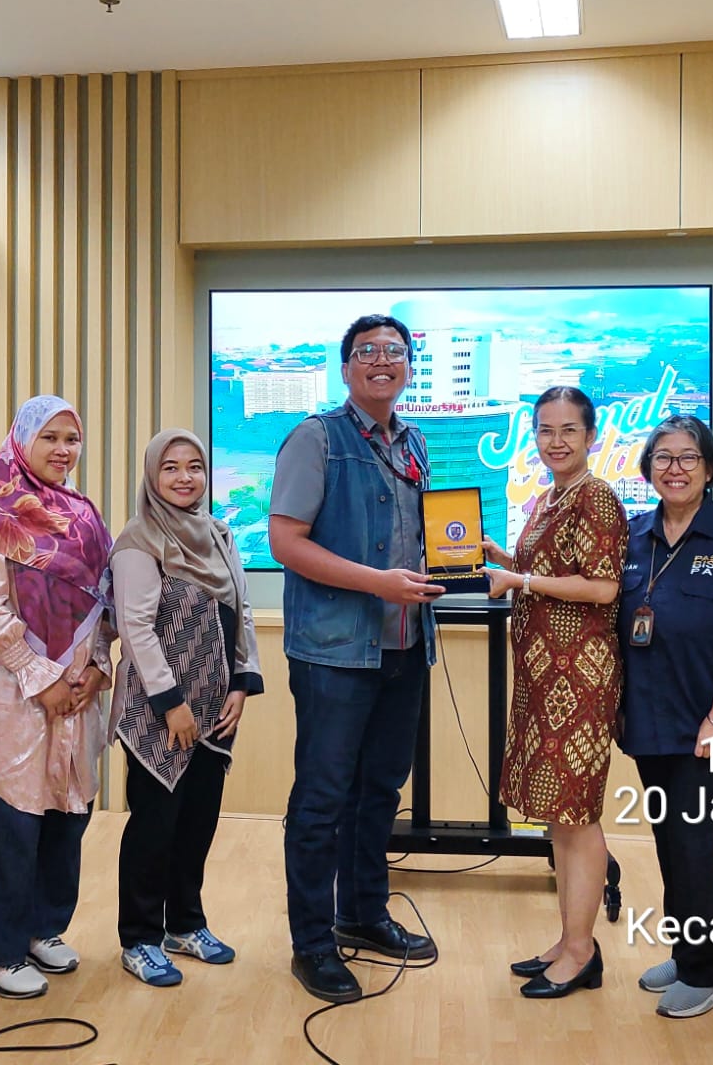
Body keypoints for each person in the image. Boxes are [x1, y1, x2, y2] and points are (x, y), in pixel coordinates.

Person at [270, 313, 444, 1003]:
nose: (381, 360)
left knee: (380, 792)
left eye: (394, 351)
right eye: (367, 351)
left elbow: (417, 538)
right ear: (345, 368)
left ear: (408, 368)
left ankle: (363, 913)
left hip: (405, 645)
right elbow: (285, 542)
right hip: (335, 653)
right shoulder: (316, 438)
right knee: (322, 800)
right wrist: (378, 583)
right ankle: (313, 943)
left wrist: (459, 558)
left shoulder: (414, 441)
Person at [0, 395, 115, 1000]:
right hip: (7, 685)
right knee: (7, 812)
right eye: (50, 438)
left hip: (76, 687)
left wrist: (96, 667)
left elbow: (104, 597)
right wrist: (41, 678)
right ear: (22, 440)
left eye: (72, 438)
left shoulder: (83, 515)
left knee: (67, 808)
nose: (63, 450)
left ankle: (43, 927)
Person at [616, 415, 713, 1017]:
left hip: (706, 725)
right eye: (663, 457)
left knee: (695, 844)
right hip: (647, 720)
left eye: (688, 458)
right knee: (668, 840)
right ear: (648, 468)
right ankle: (684, 955)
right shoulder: (635, 535)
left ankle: (704, 973)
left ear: (709, 469)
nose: (674, 468)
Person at [482, 386, 627, 999]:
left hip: (581, 679)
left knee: (579, 816)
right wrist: (501, 558)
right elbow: (543, 571)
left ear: (591, 436)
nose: (556, 441)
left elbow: (602, 588)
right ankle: (569, 941)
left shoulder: (597, 497)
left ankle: (582, 952)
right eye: (545, 430)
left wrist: (519, 578)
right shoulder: (548, 497)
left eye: (569, 430)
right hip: (543, 677)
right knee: (559, 820)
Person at [110, 429, 263, 988]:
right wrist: (171, 703)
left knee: (198, 820)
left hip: (216, 704)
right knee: (155, 825)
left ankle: (185, 924)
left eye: (194, 466)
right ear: (153, 475)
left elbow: (241, 610)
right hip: (159, 709)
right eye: (170, 467)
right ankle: (140, 938)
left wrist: (242, 683)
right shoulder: (139, 540)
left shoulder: (218, 534)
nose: (184, 477)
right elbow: (136, 629)